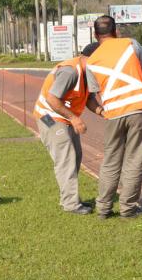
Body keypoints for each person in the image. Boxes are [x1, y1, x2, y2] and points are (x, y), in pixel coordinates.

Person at [85, 15, 142, 219]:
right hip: (138, 109)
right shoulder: (131, 44)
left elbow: (92, 94)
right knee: (134, 159)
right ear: (116, 31)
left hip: (113, 114)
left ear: (96, 35)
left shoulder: (92, 60)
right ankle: (128, 208)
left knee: (111, 161)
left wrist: (103, 110)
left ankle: (104, 208)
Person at [34, 42, 101, 215]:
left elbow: (89, 99)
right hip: (48, 117)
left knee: (76, 155)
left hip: (64, 117)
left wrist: (102, 111)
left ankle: (70, 198)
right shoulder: (70, 71)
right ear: (92, 58)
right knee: (66, 157)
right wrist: (74, 118)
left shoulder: (88, 73)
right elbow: (52, 99)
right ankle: (71, 204)